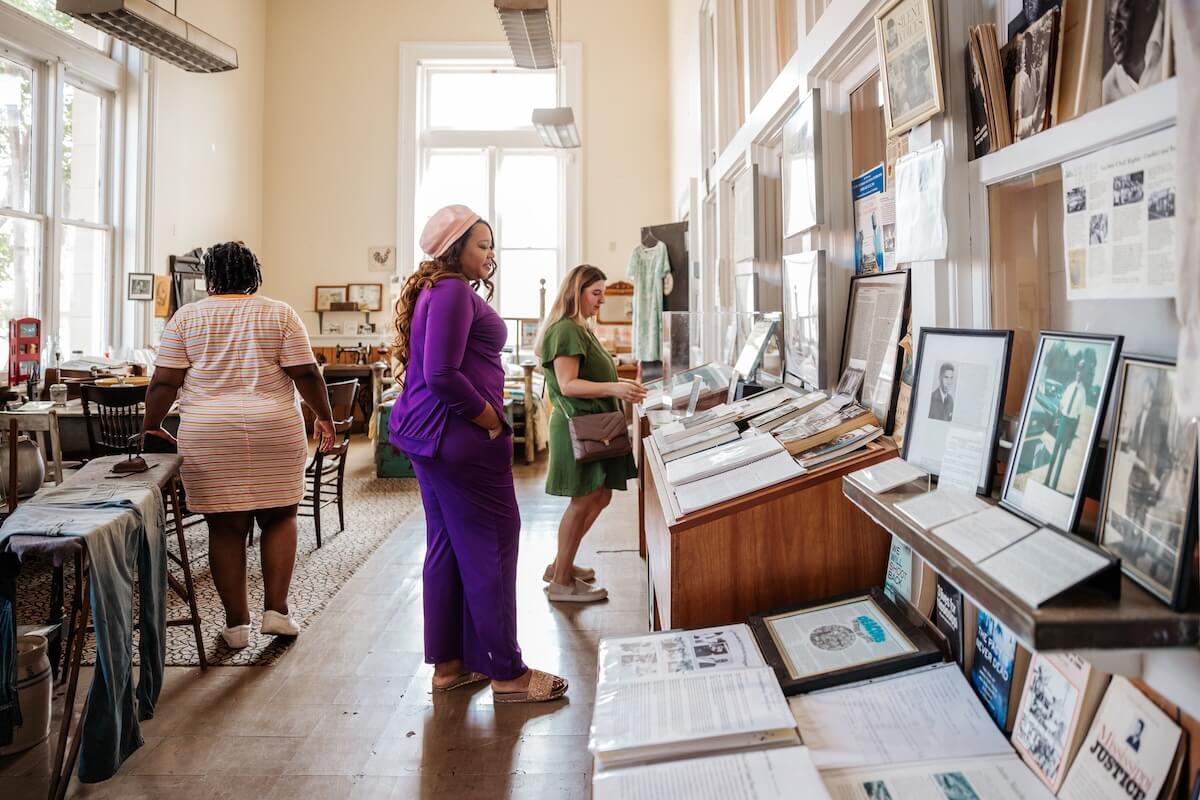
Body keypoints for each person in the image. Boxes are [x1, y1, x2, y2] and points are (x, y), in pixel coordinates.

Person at [390, 204, 566, 703]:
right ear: (454, 250)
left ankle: (449, 666)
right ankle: (508, 673)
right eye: (481, 245)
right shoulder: (450, 292)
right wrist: (491, 421)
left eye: (491, 245)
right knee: (492, 546)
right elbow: (442, 374)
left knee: (447, 547)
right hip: (460, 441)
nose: (490, 255)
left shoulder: (438, 290)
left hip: (435, 439)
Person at [142, 241, 336, 649]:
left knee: (225, 528)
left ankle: (236, 626)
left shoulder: (186, 318)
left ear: (209, 277)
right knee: (280, 517)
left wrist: (151, 425)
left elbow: (163, 382)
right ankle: (277, 613)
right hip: (274, 428)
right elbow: (306, 373)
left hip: (209, 433)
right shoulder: (279, 313)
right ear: (254, 274)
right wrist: (324, 416)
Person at [536, 265, 646, 603]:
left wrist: (619, 386)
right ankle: (561, 583)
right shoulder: (566, 330)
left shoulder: (580, 328)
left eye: (603, 292)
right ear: (576, 292)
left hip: (595, 426)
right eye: (595, 293)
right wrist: (615, 386)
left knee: (599, 496)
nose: (601, 300)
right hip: (579, 427)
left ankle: (561, 566)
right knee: (583, 499)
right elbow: (568, 385)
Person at [1047, 359, 1088, 491]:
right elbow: (1062, 404)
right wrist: (1057, 420)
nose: (1079, 373)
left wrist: (1072, 435)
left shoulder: (1083, 393)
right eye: (1078, 370)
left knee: (1062, 456)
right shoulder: (1070, 387)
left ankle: (1054, 484)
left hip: (1071, 424)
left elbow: (1079, 415)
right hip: (1063, 421)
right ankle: (1047, 479)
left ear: (1084, 373)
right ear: (1076, 371)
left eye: (1082, 371)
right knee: (1054, 452)